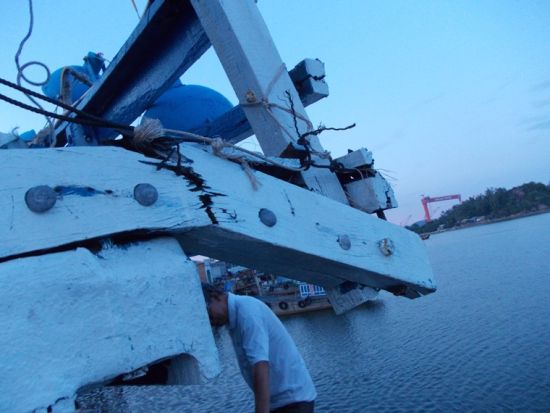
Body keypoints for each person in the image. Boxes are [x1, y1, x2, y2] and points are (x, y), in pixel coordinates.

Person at [202, 283, 316, 413]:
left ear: (215, 297)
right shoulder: (234, 318)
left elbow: (260, 365)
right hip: (279, 402)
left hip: (293, 401)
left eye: (207, 313)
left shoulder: (247, 312)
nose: (209, 321)